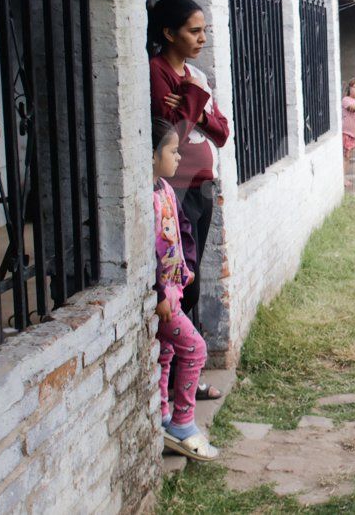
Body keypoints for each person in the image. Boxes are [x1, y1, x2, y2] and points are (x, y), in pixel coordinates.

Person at [149, 0, 229, 401]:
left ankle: (188, 372)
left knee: (193, 276)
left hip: (202, 183)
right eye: (193, 31)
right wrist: (196, 106)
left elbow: (222, 131)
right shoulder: (158, 73)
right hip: (175, 187)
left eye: (203, 31)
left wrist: (195, 102)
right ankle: (183, 376)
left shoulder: (194, 74)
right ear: (168, 33)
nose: (201, 38)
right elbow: (173, 133)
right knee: (181, 280)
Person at [152, 119, 219, 462]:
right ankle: (182, 422)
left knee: (165, 354)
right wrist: (160, 291)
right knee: (194, 349)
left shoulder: (165, 189)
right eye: (173, 151)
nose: (179, 158)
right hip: (163, 300)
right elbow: (145, 251)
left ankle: (163, 414)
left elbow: (183, 232)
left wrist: (187, 271)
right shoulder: (143, 199)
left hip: (176, 289)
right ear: (151, 155)